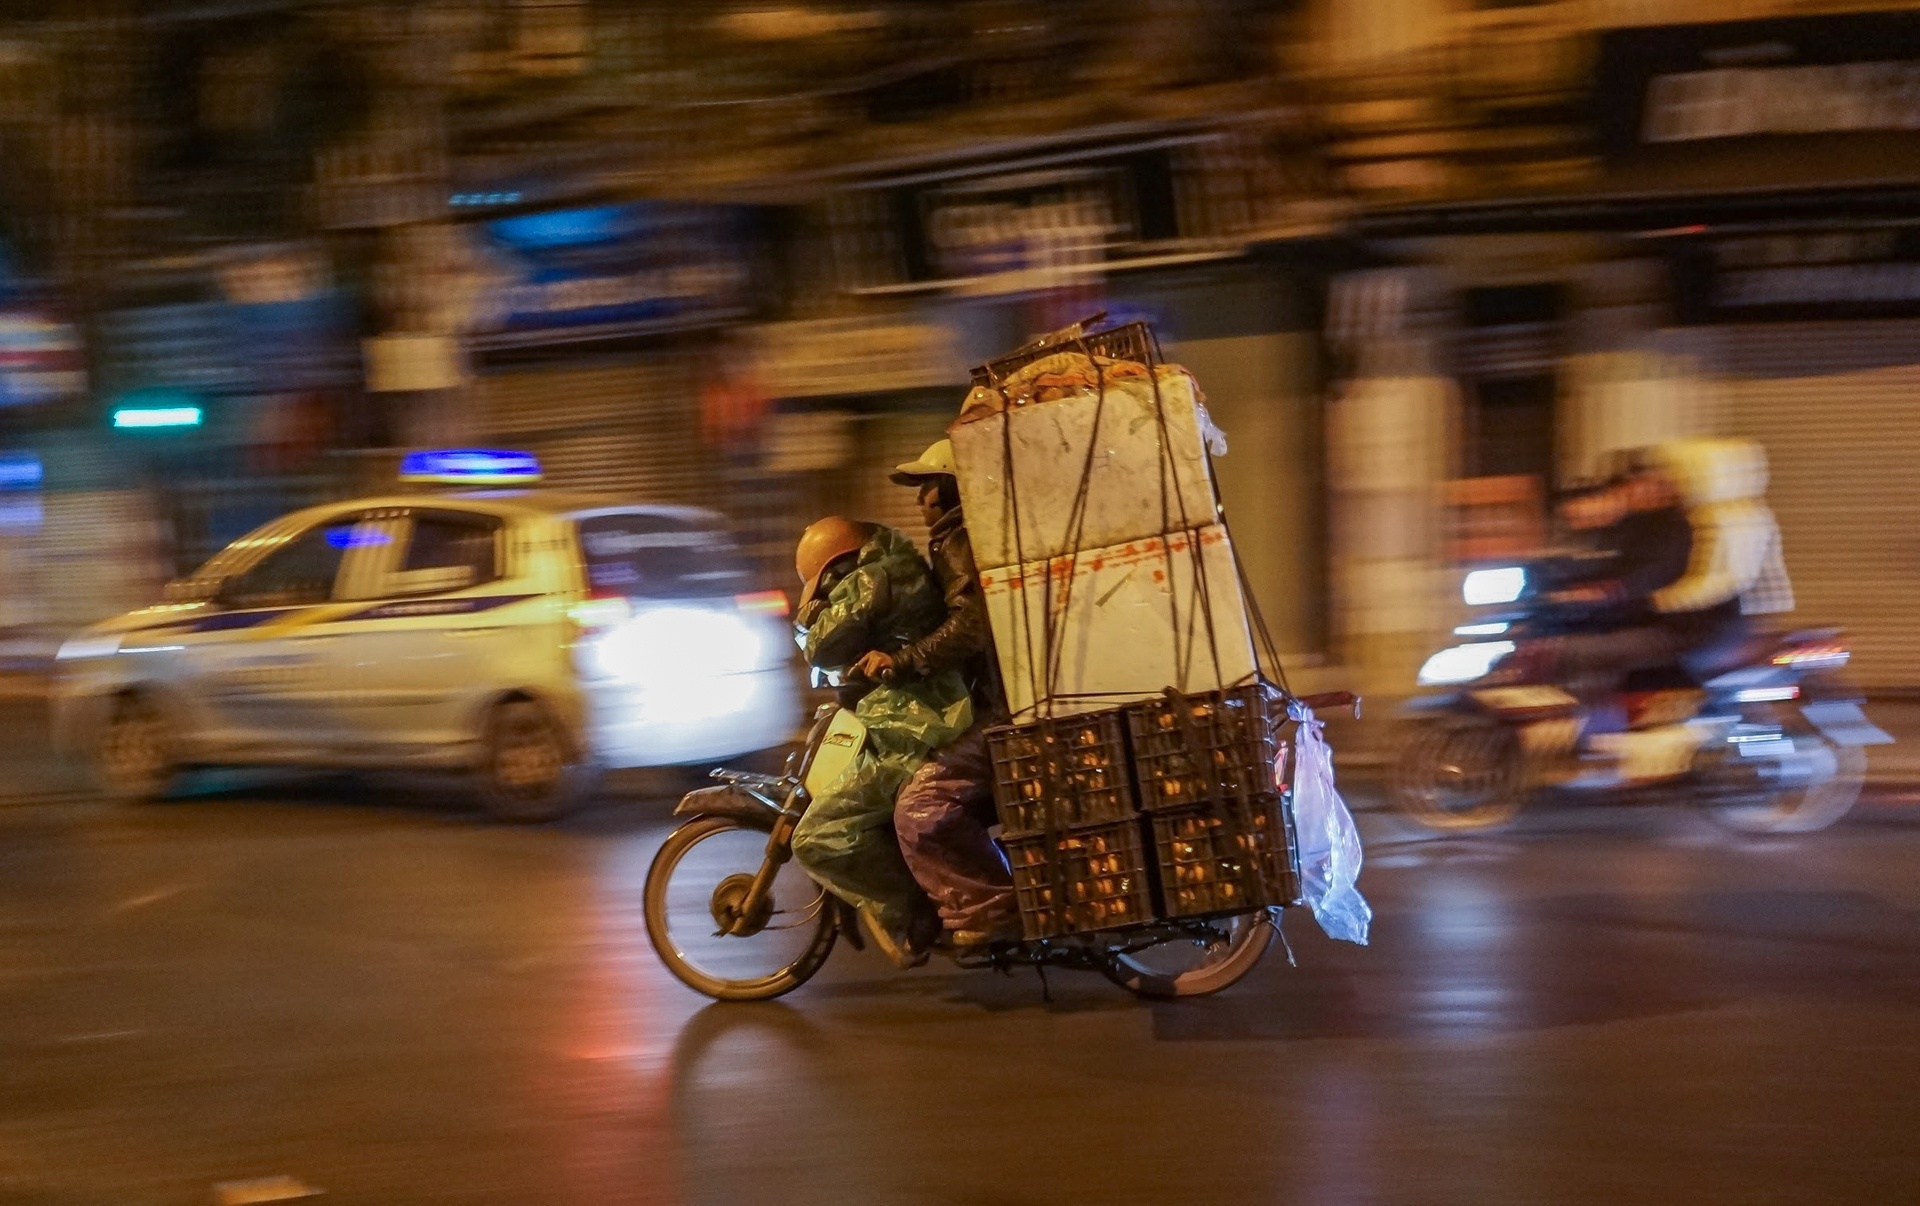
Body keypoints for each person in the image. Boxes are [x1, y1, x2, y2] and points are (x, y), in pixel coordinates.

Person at [853, 440, 1020, 948]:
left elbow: (971, 627)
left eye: (929, 484)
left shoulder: (962, 542)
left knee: (919, 804)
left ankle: (996, 907)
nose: (921, 497)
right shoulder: (961, 541)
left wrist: (902, 663)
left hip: (1007, 712)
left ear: (952, 489)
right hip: (1003, 702)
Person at [789, 515, 974, 968]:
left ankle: (913, 913)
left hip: (909, 728)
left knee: (816, 835)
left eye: (825, 582)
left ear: (837, 569)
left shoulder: (872, 579)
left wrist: (807, 614)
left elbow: (821, 647)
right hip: (915, 716)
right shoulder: (896, 563)